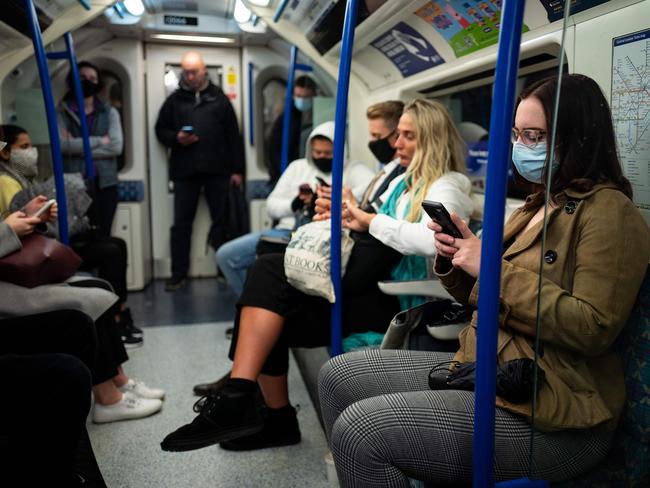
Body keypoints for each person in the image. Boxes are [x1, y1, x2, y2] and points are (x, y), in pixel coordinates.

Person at [317, 74, 650, 486]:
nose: (521, 147)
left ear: (576, 137)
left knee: (361, 432)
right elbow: (485, 294)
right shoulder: (537, 206)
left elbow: (592, 327)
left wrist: (491, 269)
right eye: (516, 134)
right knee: (339, 376)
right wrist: (457, 257)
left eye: (535, 135)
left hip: (554, 407)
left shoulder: (610, 213)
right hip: (489, 365)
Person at [160, 98, 474, 453]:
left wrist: (369, 220)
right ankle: (264, 411)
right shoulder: (402, 180)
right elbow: (376, 220)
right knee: (267, 307)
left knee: (267, 277)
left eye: (408, 136)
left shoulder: (447, 186)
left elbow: (432, 241)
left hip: (397, 299)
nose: (396, 143)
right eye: (397, 135)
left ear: (432, 140)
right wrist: (351, 212)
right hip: (368, 284)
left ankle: (241, 397)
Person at [0, 204, 165, 424]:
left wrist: (29, 218)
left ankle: (118, 378)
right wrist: (9, 230)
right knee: (86, 302)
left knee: (101, 289)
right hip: (7, 288)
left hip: (10, 280)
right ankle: (108, 399)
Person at [0, 124, 143, 347]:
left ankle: (119, 321)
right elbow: (13, 224)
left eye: (31, 146)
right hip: (17, 267)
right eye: (24, 147)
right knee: (101, 279)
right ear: (6, 152)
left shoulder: (24, 178)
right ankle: (116, 329)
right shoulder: (6, 182)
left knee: (114, 249)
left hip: (26, 251)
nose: (31, 152)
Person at [216, 120, 374, 298]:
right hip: (288, 231)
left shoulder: (352, 170)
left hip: (324, 236)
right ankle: (251, 306)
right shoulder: (297, 168)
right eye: (317, 152)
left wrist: (336, 196)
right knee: (226, 255)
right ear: (310, 150)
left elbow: (372, 189)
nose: (322, 156)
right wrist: (295, 203)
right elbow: (271, 206)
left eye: (328, 153)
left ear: (340, 152)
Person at [155, 52, 245, 292]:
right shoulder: (174, 101)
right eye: (186, 71)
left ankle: (224, 270)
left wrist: (237, 170)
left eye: (194, 71)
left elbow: (234, 137)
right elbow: (160, 130)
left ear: (204, 70)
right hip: (186, 171)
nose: (190, 76)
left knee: (222, 222)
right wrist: (177, 138)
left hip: (218, 170)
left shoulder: (219, 99)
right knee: (181, 224)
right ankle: (178, 274)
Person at [58, 61, 124, 237]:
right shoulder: (61, 112)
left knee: (104, 234)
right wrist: (100, 141)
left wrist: (77, 147)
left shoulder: (109, 112)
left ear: (99, 83)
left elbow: (116, 147)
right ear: (73, 81)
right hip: (74, 185)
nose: (88, 81)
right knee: (78, 237)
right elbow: (62, 146)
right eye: (82, 78)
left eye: (93, 78)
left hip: (106, 184)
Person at [266, 75, 317, 186]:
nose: (302, 100)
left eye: (307, 96)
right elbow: (272, 147)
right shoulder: (286, 118)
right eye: (299, 96)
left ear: (314, 96)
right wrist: (280, 174)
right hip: (288, 173)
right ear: (293, 96)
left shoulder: (320, 115)